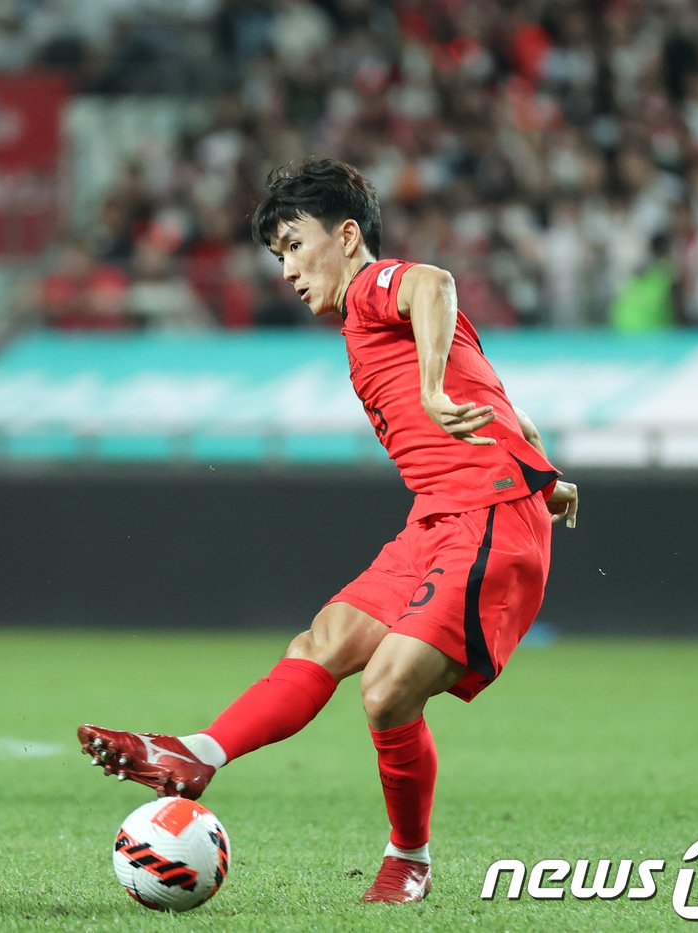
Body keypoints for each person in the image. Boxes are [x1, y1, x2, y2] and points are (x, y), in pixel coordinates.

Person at [77, 158, 579, 904]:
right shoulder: (365, 325)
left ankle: (408, 858)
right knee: (324, 640)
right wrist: (541, 465)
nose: (286, 269)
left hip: (483, 516)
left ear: (346, 236)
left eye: (294, 245)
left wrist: (439, 394)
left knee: (384, 691)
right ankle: (197, 754)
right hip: (442, 515)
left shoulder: (376, 290)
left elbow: (434, 282)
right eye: (277, 255)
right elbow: (502, 399)